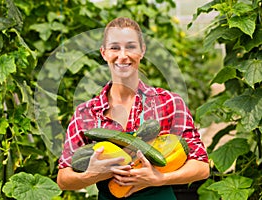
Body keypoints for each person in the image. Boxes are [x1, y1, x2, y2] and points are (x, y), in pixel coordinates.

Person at [57, 17, 209, 199]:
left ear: (142, 51)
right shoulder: (86, 113)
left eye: (130, 47)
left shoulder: (168, 102)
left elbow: (201, 166)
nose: (123, 55)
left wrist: (160, 178)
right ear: (104, 53)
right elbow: (63, 178)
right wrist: (93, 174)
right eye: (114, 48)